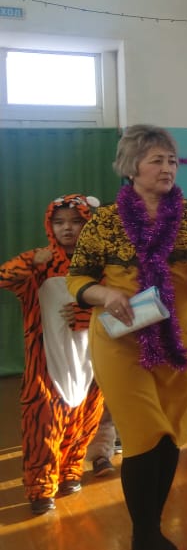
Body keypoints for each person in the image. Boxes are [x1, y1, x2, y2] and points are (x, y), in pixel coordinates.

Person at [67, 124, 187, 550]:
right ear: (131, 166)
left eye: (172, 160)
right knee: (144, 435)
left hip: (181, 338)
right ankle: (145, 538)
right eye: (157, 159)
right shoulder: (105, 220)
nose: (167, 167)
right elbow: (79, 278)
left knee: (169, 435)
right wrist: (103, 294)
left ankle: (150, 527)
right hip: (122, 341)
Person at [0, 194, 105, 515]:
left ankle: (70, 470)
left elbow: (124, 307)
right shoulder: (40, 264)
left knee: (84, 421)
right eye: (59, 222)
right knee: (43, 426)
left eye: (75, 222)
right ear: (50, 226)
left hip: (93, 362)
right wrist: (31, 262)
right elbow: (4, 277)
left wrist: (88, 315)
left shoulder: (102, 265)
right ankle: (40, 487)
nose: (67, 229)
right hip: (46, 362)